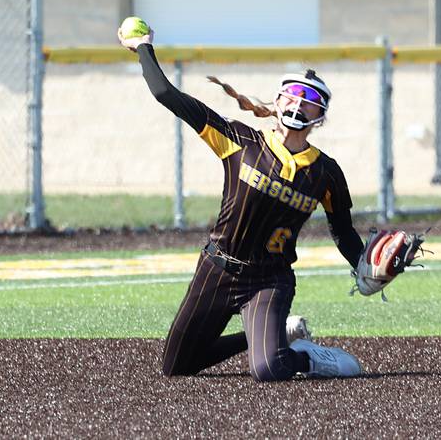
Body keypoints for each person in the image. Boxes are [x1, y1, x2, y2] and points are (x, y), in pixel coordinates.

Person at [118, 25, 365, 381]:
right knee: (177, 367)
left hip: (269, 278)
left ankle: (310, 359)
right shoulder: (239, 140)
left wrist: (364, 267)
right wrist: (143, 47)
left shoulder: (326, 173)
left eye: (310, 99)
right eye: (293, 93)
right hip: (217, 268)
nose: (298, 102)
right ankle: (282, 334)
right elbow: (164, 93)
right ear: (277, 101)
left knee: (269, 368)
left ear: (321, 116)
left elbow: (342, 232)